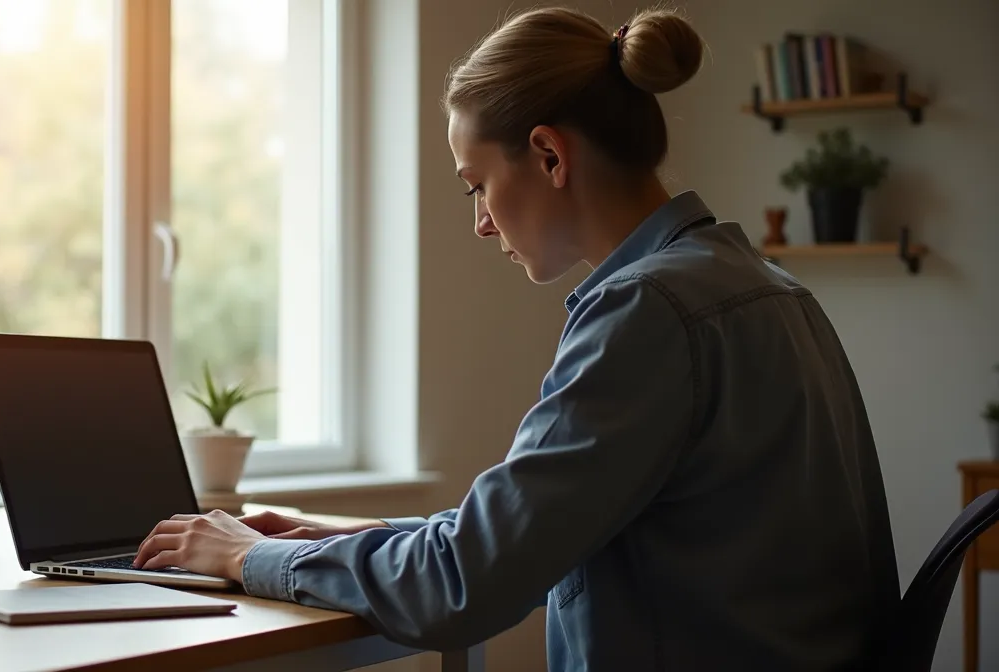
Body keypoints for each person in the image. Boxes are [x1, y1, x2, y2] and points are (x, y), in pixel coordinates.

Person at [134, 5, 902, 670]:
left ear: (548, 154)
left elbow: (464, 588)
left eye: (477, 185)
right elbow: (518, 539)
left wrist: (247, 557)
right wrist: (323, 540)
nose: (480, 221)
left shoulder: (648, 312)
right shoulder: (767, 288)